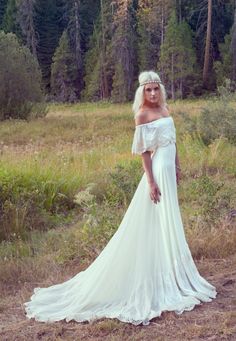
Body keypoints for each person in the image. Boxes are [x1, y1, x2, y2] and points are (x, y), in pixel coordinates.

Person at [24, 70, 217, 326]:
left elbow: (173, 142)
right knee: (158, 217)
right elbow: (145, 153)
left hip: (170, 168)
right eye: (147, 90)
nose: (152, 93)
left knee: (169, 218)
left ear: (161, 90)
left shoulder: (166, 110)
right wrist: (150, 181)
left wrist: (179, 167)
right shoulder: (142, 115)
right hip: (158, 170)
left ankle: (170, 268)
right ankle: (159, 274)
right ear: (142, 92)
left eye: (155, 89)